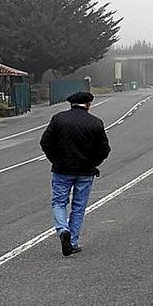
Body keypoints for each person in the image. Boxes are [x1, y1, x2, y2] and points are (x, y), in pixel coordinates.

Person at [40, 91, 110, 257]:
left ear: (71, 104)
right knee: (78, 207)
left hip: (61, 170)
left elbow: (45, 142)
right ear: (88, 104)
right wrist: (94, 163)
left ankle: (63, 229)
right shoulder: (95, 123)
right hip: (85, 172)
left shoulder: (58, 119)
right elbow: (104, 149)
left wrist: (55, 159)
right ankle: (72, 242)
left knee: (59, 202)